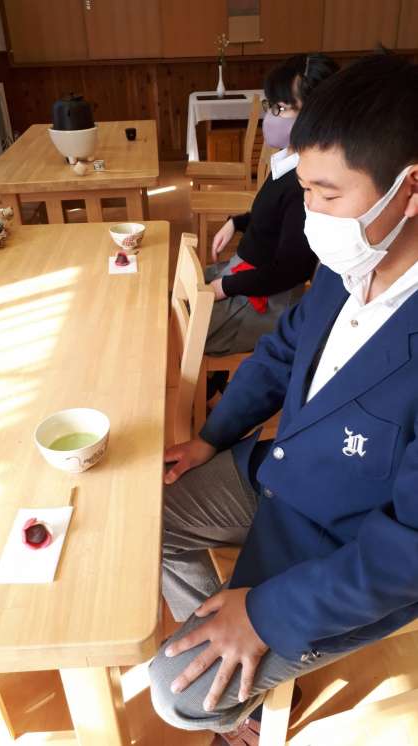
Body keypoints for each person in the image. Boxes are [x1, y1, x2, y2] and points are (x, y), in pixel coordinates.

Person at [150, 52, 418, 745]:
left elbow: (407, 553)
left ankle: (237, 660)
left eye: (328, 195)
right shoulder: (348, 263)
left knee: (172, 693)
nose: (311, 214)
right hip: (283, 474)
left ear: (410, 188)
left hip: (343, 548)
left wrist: (266, 615)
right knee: (152, 513)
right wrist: (211, 437)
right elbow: (279, 353)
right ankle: (226, 645)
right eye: (304, 190)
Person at [205, 53, 337, 359]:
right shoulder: (285, 164)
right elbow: (271, 216)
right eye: (271, 106)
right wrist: (237, 223)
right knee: (174, 297)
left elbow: (290, 270)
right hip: (246, 276)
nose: (272, 117)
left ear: (315, 115)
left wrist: (226, 286)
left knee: (179, 327)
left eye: (282, 108)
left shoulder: (306, 183)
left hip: (265, 300)